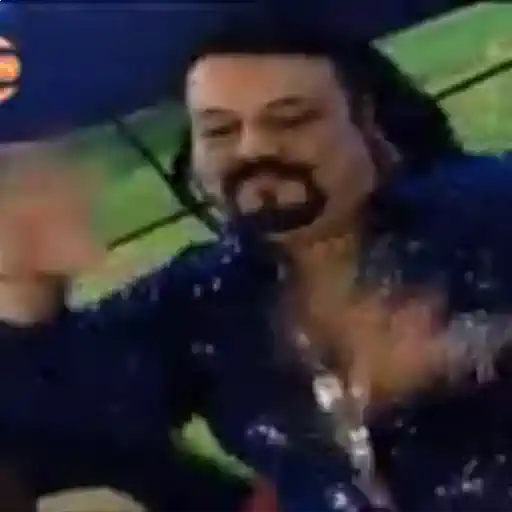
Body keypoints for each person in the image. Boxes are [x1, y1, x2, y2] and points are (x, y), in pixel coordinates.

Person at [0, 15, 511, 512]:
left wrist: (472, 351)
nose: (254, 148)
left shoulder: (485, 209)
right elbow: (59, 424)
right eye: (219, 130)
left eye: (291, 119)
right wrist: (30, 288)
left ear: (366, 125)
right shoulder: (206, 300)